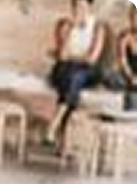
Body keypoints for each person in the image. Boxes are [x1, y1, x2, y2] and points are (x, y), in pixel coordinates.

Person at [45, 0, 107, 147]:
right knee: (70, 77)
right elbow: (62, 55)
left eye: (82, 6)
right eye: (76, 6)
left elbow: (91, 59)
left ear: (89, 7)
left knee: (75, 75)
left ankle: (54, 125)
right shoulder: (65, 25)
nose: (78, 10)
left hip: (87, 73)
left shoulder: (98, 27)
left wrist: (72, 58)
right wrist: (71, 30)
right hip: (66, 70)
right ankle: (63, 139)